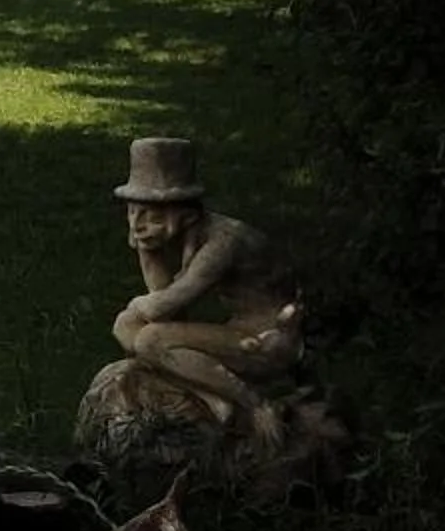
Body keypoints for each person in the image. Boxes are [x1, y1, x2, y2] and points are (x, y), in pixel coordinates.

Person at [107, 137, 302, 445]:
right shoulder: (186, 234)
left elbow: (164, 306)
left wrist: (138, 302)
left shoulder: (224, 241)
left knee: (149, 338)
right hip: (236, 331)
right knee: (127, 327)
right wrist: (148, 251)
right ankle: (212, 398)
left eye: (152, 216)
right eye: (133, 212)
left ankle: (255, 403)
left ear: (185, 215)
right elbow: (169, 310)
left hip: (267, 340)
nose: (138, 225)